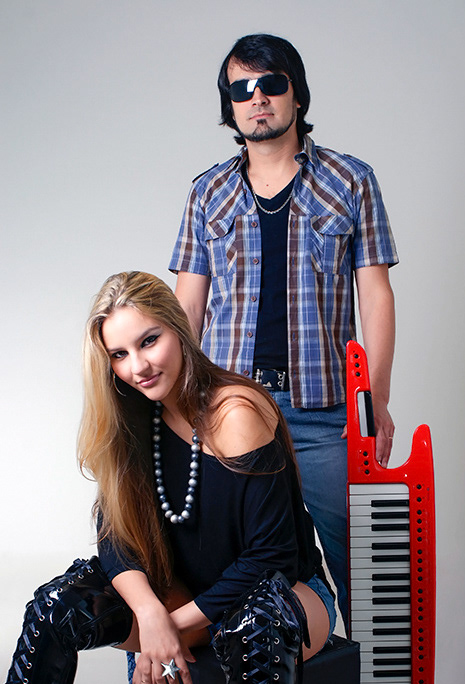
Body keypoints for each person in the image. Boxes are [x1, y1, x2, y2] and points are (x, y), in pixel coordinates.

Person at [0, 271, 336, 684]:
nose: (138, 366)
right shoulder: (134, 418)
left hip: (282, 593)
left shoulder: (235, 411)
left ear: (178, 329)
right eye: (119, 354)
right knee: (56, 608)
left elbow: (271, 556)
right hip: (185, 594)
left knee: (254, 628)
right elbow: (115, 537)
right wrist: (151, 615)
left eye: (148, 341)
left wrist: (167, 628)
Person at [170, 33, 399, 630]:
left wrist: (374, 399)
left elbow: (375, 294)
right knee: (229, 564)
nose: (258, 99)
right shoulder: (206, 192)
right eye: (241, 90)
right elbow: (186, 305)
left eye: (272, 84)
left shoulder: (351, 181)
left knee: (364, 570)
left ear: (296, 94)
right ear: (229, 106)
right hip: (229, 412)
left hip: (326, 413)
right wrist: (176, 406)